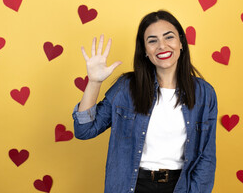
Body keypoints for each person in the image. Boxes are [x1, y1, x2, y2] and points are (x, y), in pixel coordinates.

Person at [72, 10, 218, 193]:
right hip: (132, 186)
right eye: (152, 40)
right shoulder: (126, 87)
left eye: (169, 37)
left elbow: (207, 157)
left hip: (180, 187)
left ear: (181, 43)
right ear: (145, 51)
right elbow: (84, 131)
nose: (162, 46)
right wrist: (94, 82)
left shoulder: (205, 93)